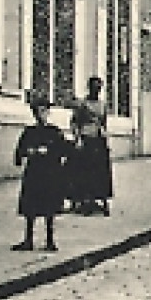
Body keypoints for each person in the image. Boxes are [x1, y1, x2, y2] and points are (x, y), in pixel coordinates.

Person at [13, 93, 68, 251]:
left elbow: (63, 150)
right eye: (38, 111)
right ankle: (28, 239)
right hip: (35, 172)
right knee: (31, 207)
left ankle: (50, 241)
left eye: (44, 111)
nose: (42, 114)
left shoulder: (54, 131)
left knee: (49, 207)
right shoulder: (30, 132)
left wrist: (50, 152)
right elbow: (19, 152)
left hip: (50, 173)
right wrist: (30, 152)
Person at [68, 77, 113, 216]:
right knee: (84, 170)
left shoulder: (102, 105)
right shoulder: (83, 104)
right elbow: (74, 122)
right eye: (94, 87)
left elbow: (103, 123)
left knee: (101, 170)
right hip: (85, 139)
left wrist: (105, 136)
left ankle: (102, 198)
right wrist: (78, 139)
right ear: (89, 88)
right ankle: (83, 199)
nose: (96, 90)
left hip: (98, 140)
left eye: (99, 88)